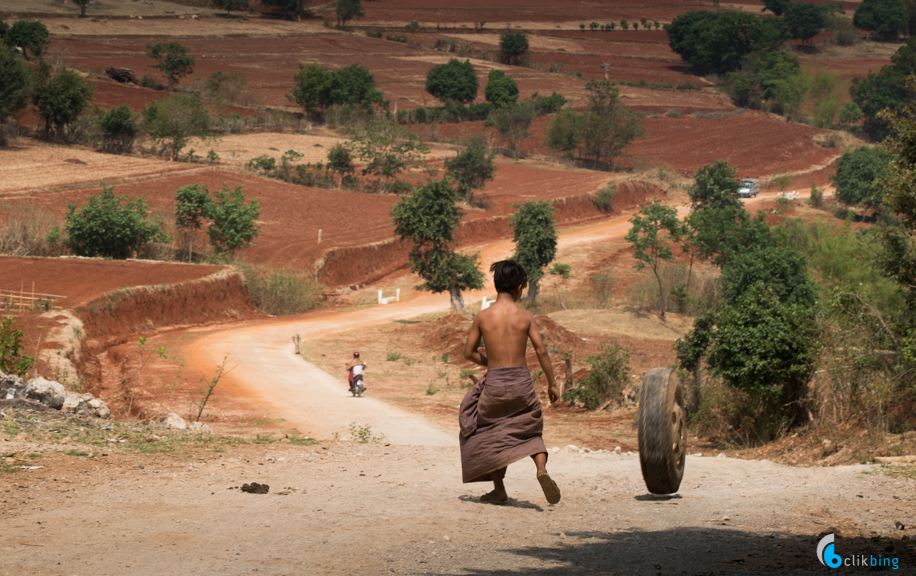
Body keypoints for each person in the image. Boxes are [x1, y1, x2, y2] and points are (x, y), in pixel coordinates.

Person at [460, 260, 561, 505]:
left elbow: (469, 352)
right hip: (521, 382)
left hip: (494, 382)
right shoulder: (525, 317)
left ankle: (499, 490)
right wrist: (552, 383)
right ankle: (541, 470)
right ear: (519, 288)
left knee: (491, 431)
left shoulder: (483, 316)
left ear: (496, 286)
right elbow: (541, 351)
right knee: (529, 427)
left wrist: (491, 362)